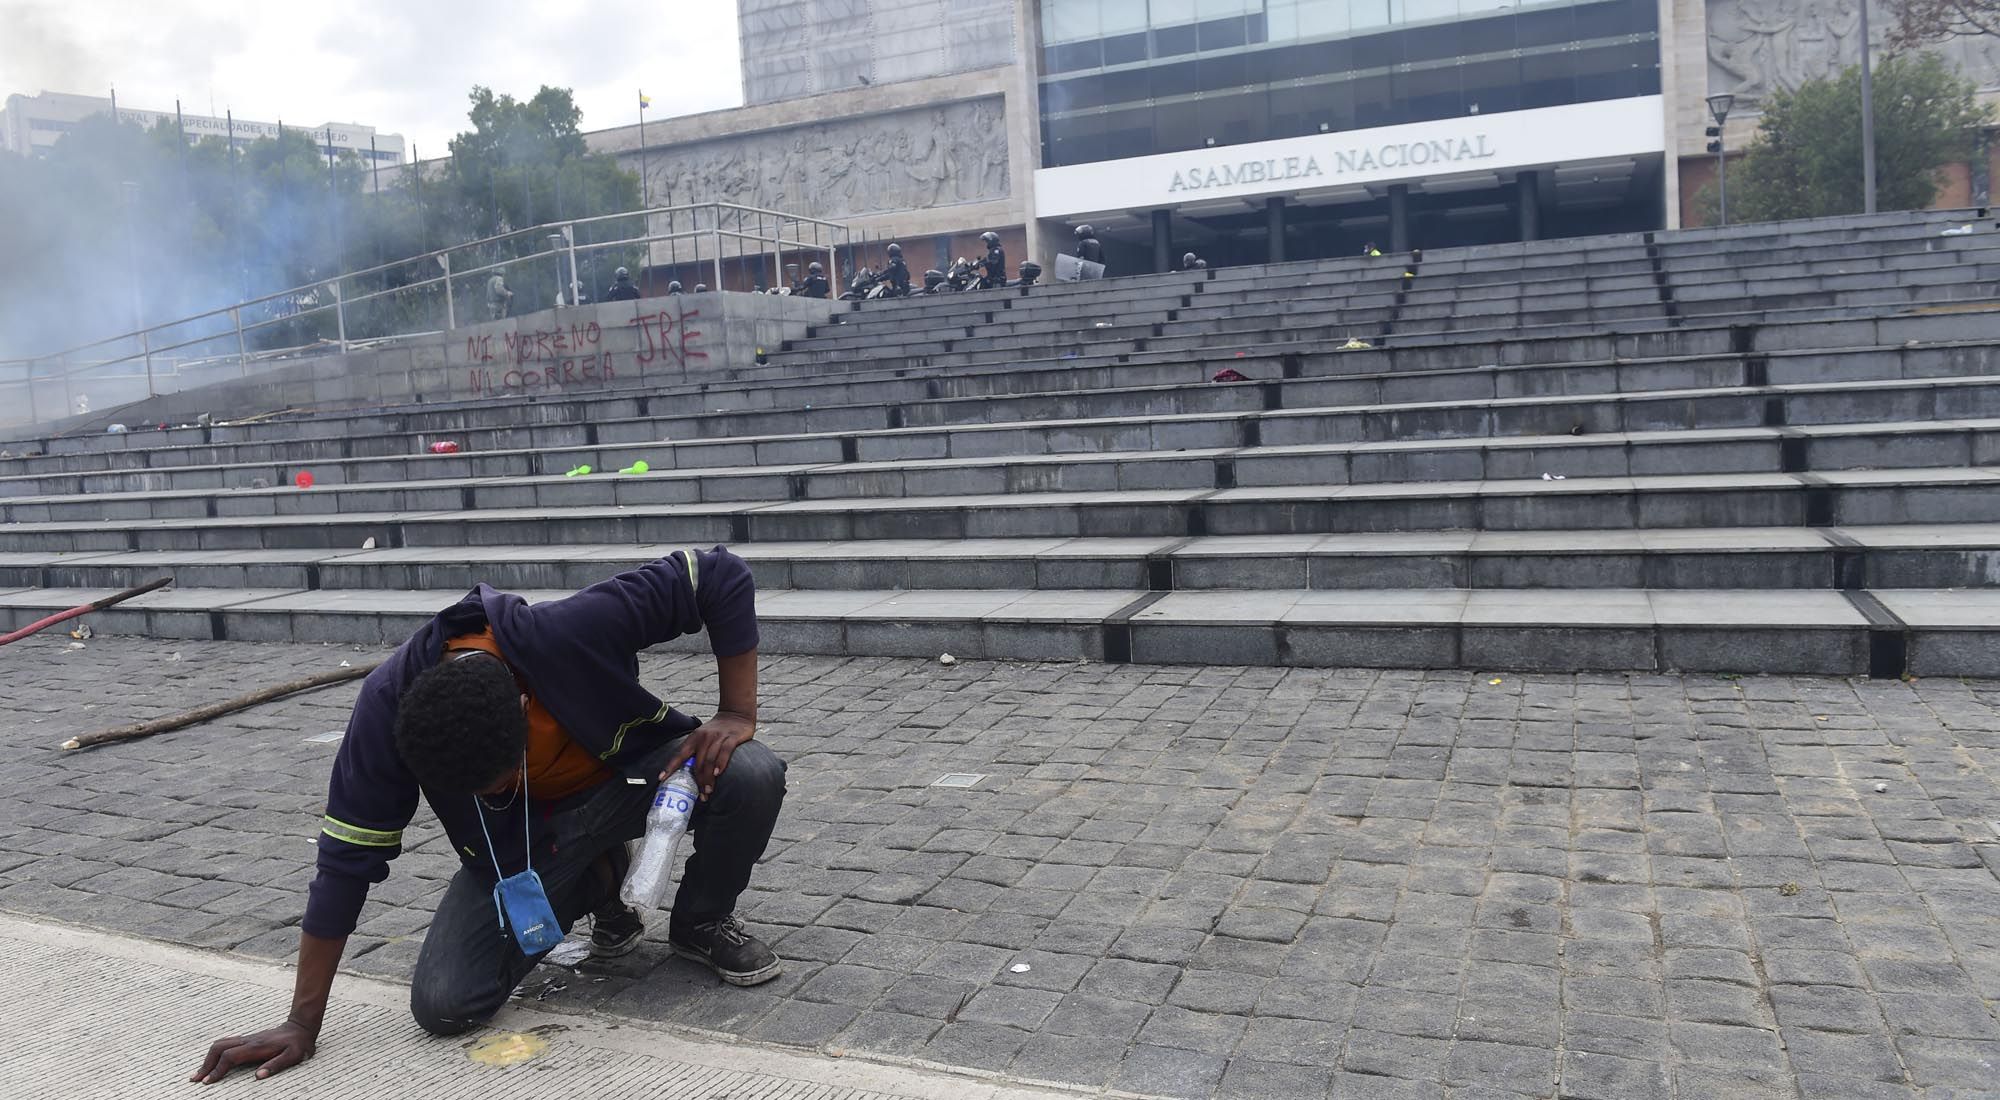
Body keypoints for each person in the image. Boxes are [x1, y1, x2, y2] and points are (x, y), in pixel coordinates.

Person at [189, 550, 786, 1084]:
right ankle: (600, 881)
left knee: (750, 771)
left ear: (525, 707)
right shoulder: (386, 712)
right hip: (523, 849)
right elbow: (345, 863)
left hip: (630, 784)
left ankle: (700, 923)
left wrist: (736, 709)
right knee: (446, 1003)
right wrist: (300, 1023)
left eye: (504, 779)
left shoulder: (566, 631)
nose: (496, 793)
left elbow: (719, 574)